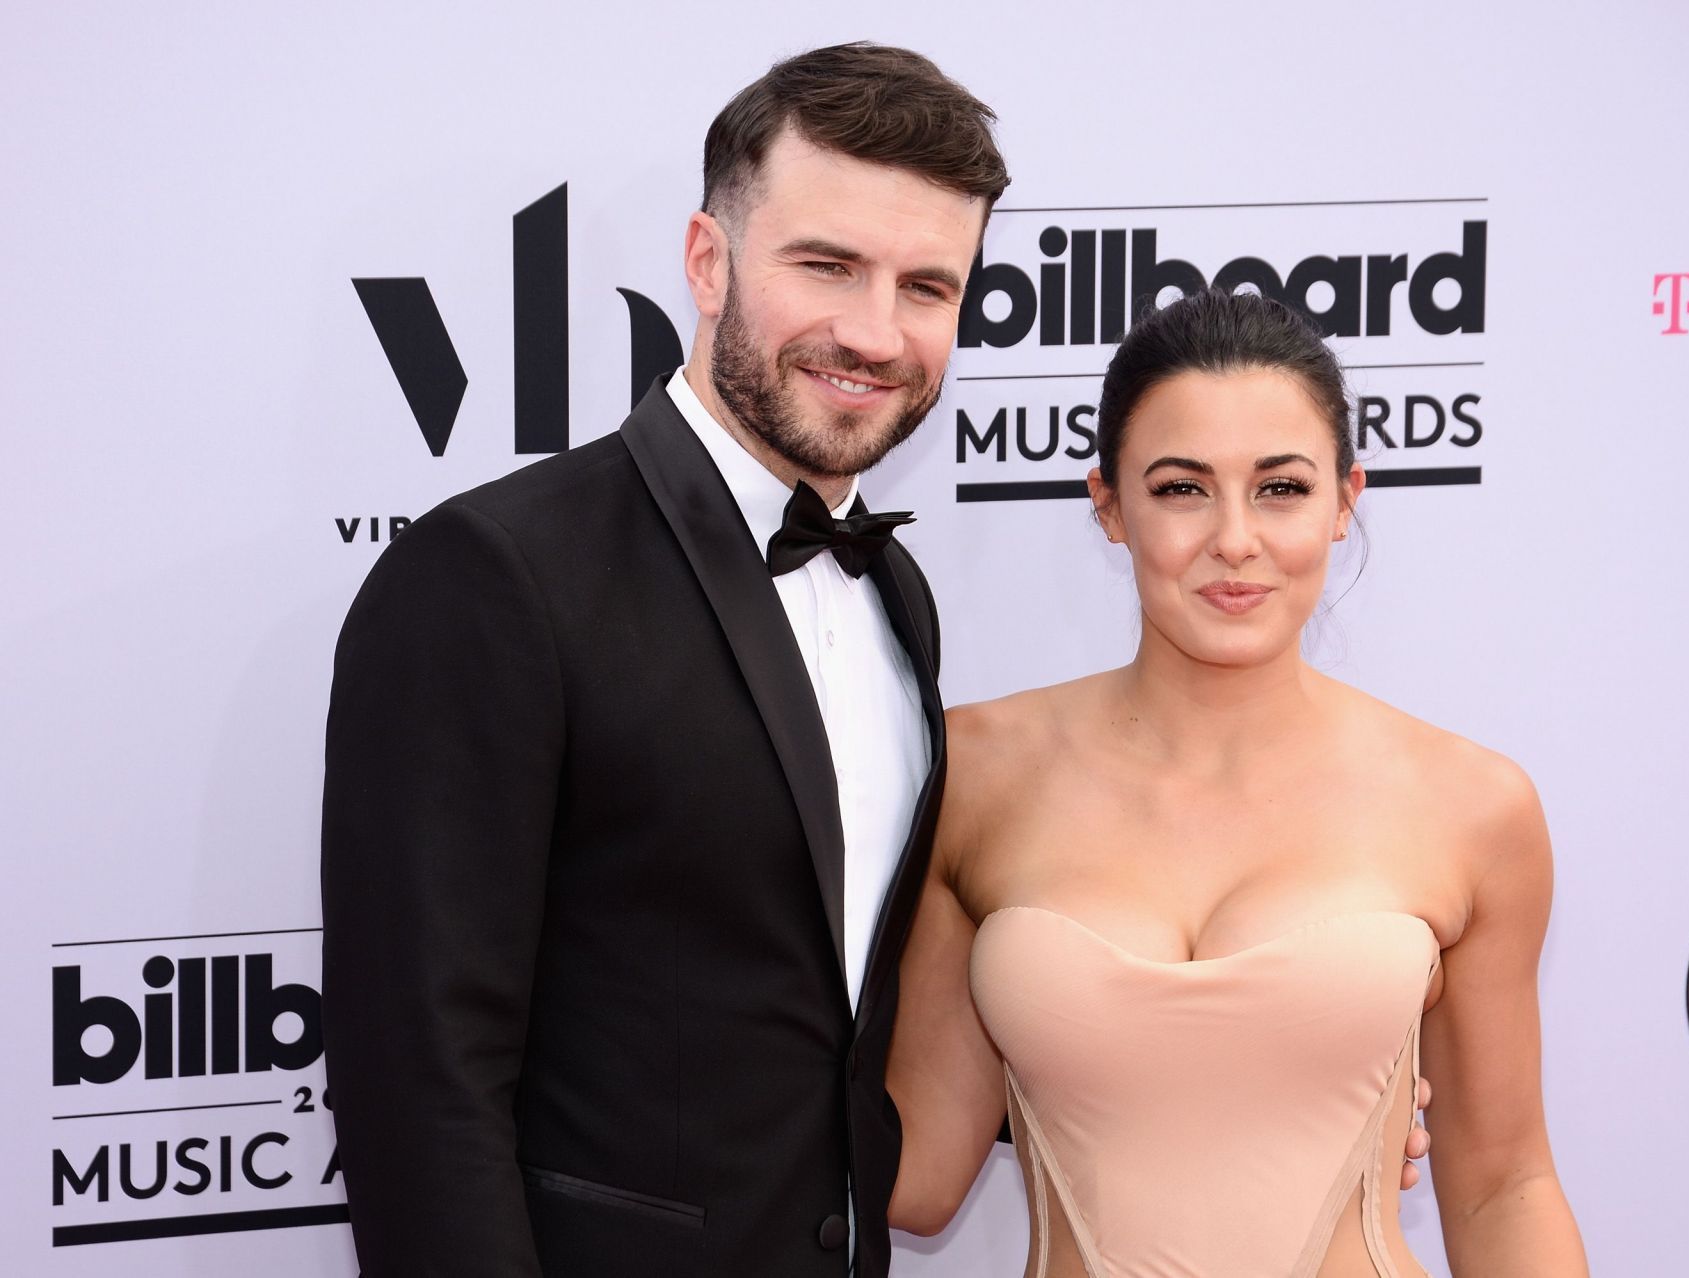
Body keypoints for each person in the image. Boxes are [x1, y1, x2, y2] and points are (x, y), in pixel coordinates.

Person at [321, 44, 1004, 1277]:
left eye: (928, 286)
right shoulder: (494, 576)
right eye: (828, 265)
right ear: (706, 261)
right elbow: (418, 1081)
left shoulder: (896, 592)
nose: (874, 331)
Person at [886, 289, 1587, 1275]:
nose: (1234, 540)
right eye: (1180, 488)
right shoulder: (973, 773)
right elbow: (914, 1176)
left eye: (1281, 488)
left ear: (1346, 502)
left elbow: (1504, 1182)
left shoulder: (1472, 805)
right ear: (1108, 504)